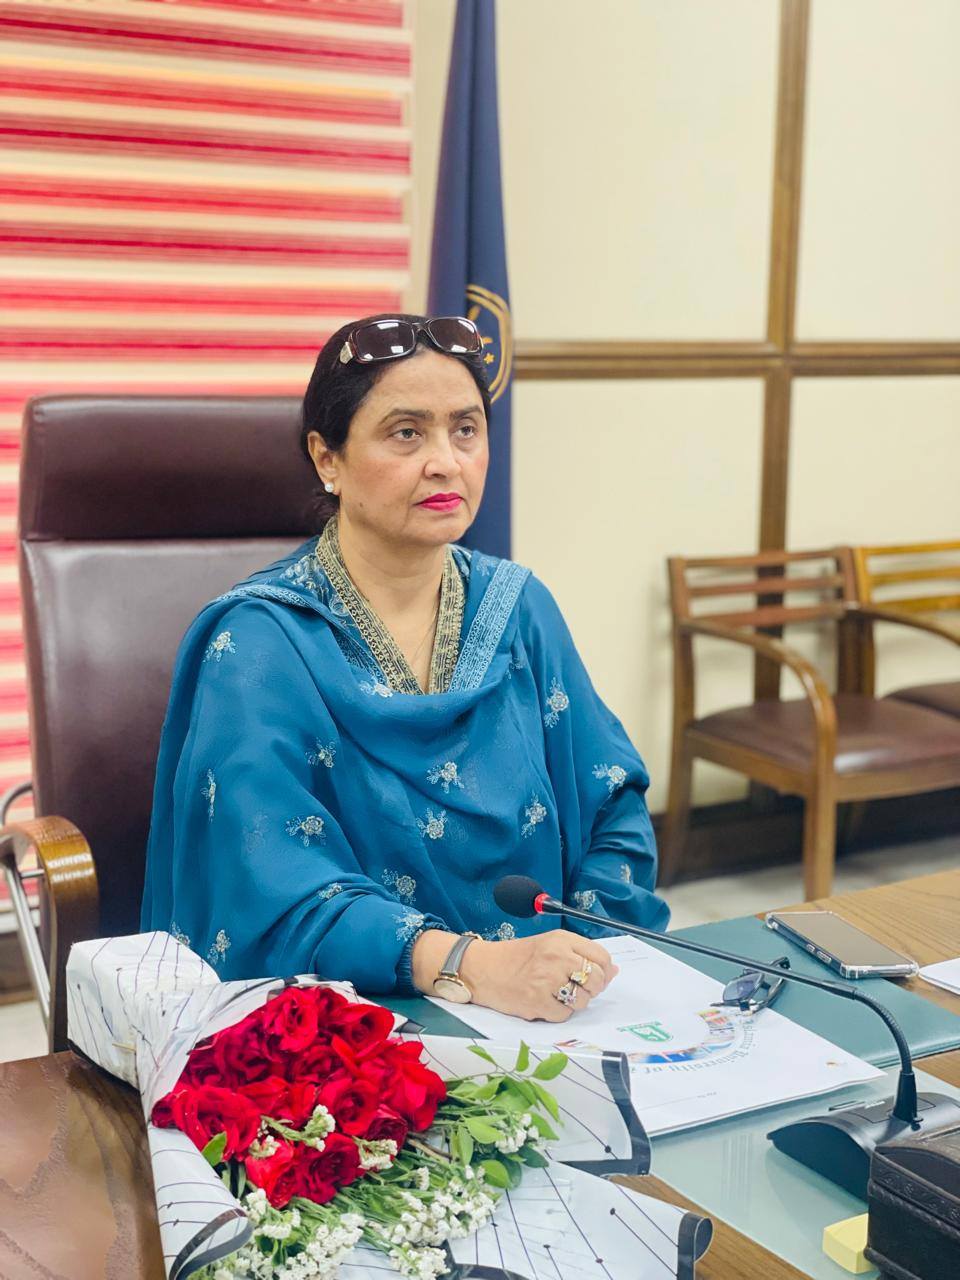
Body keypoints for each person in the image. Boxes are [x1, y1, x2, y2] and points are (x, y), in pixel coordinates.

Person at [142, 314, 669, 1022]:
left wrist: (580, 953)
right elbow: (270, 884)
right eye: (406, 433)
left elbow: (612, 803)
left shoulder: (519, 608)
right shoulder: (260, 644)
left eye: (466, 429)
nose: (446, 462)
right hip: (354, 1021)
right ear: (327, 460)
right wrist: (468, 965)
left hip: (547, 1010)